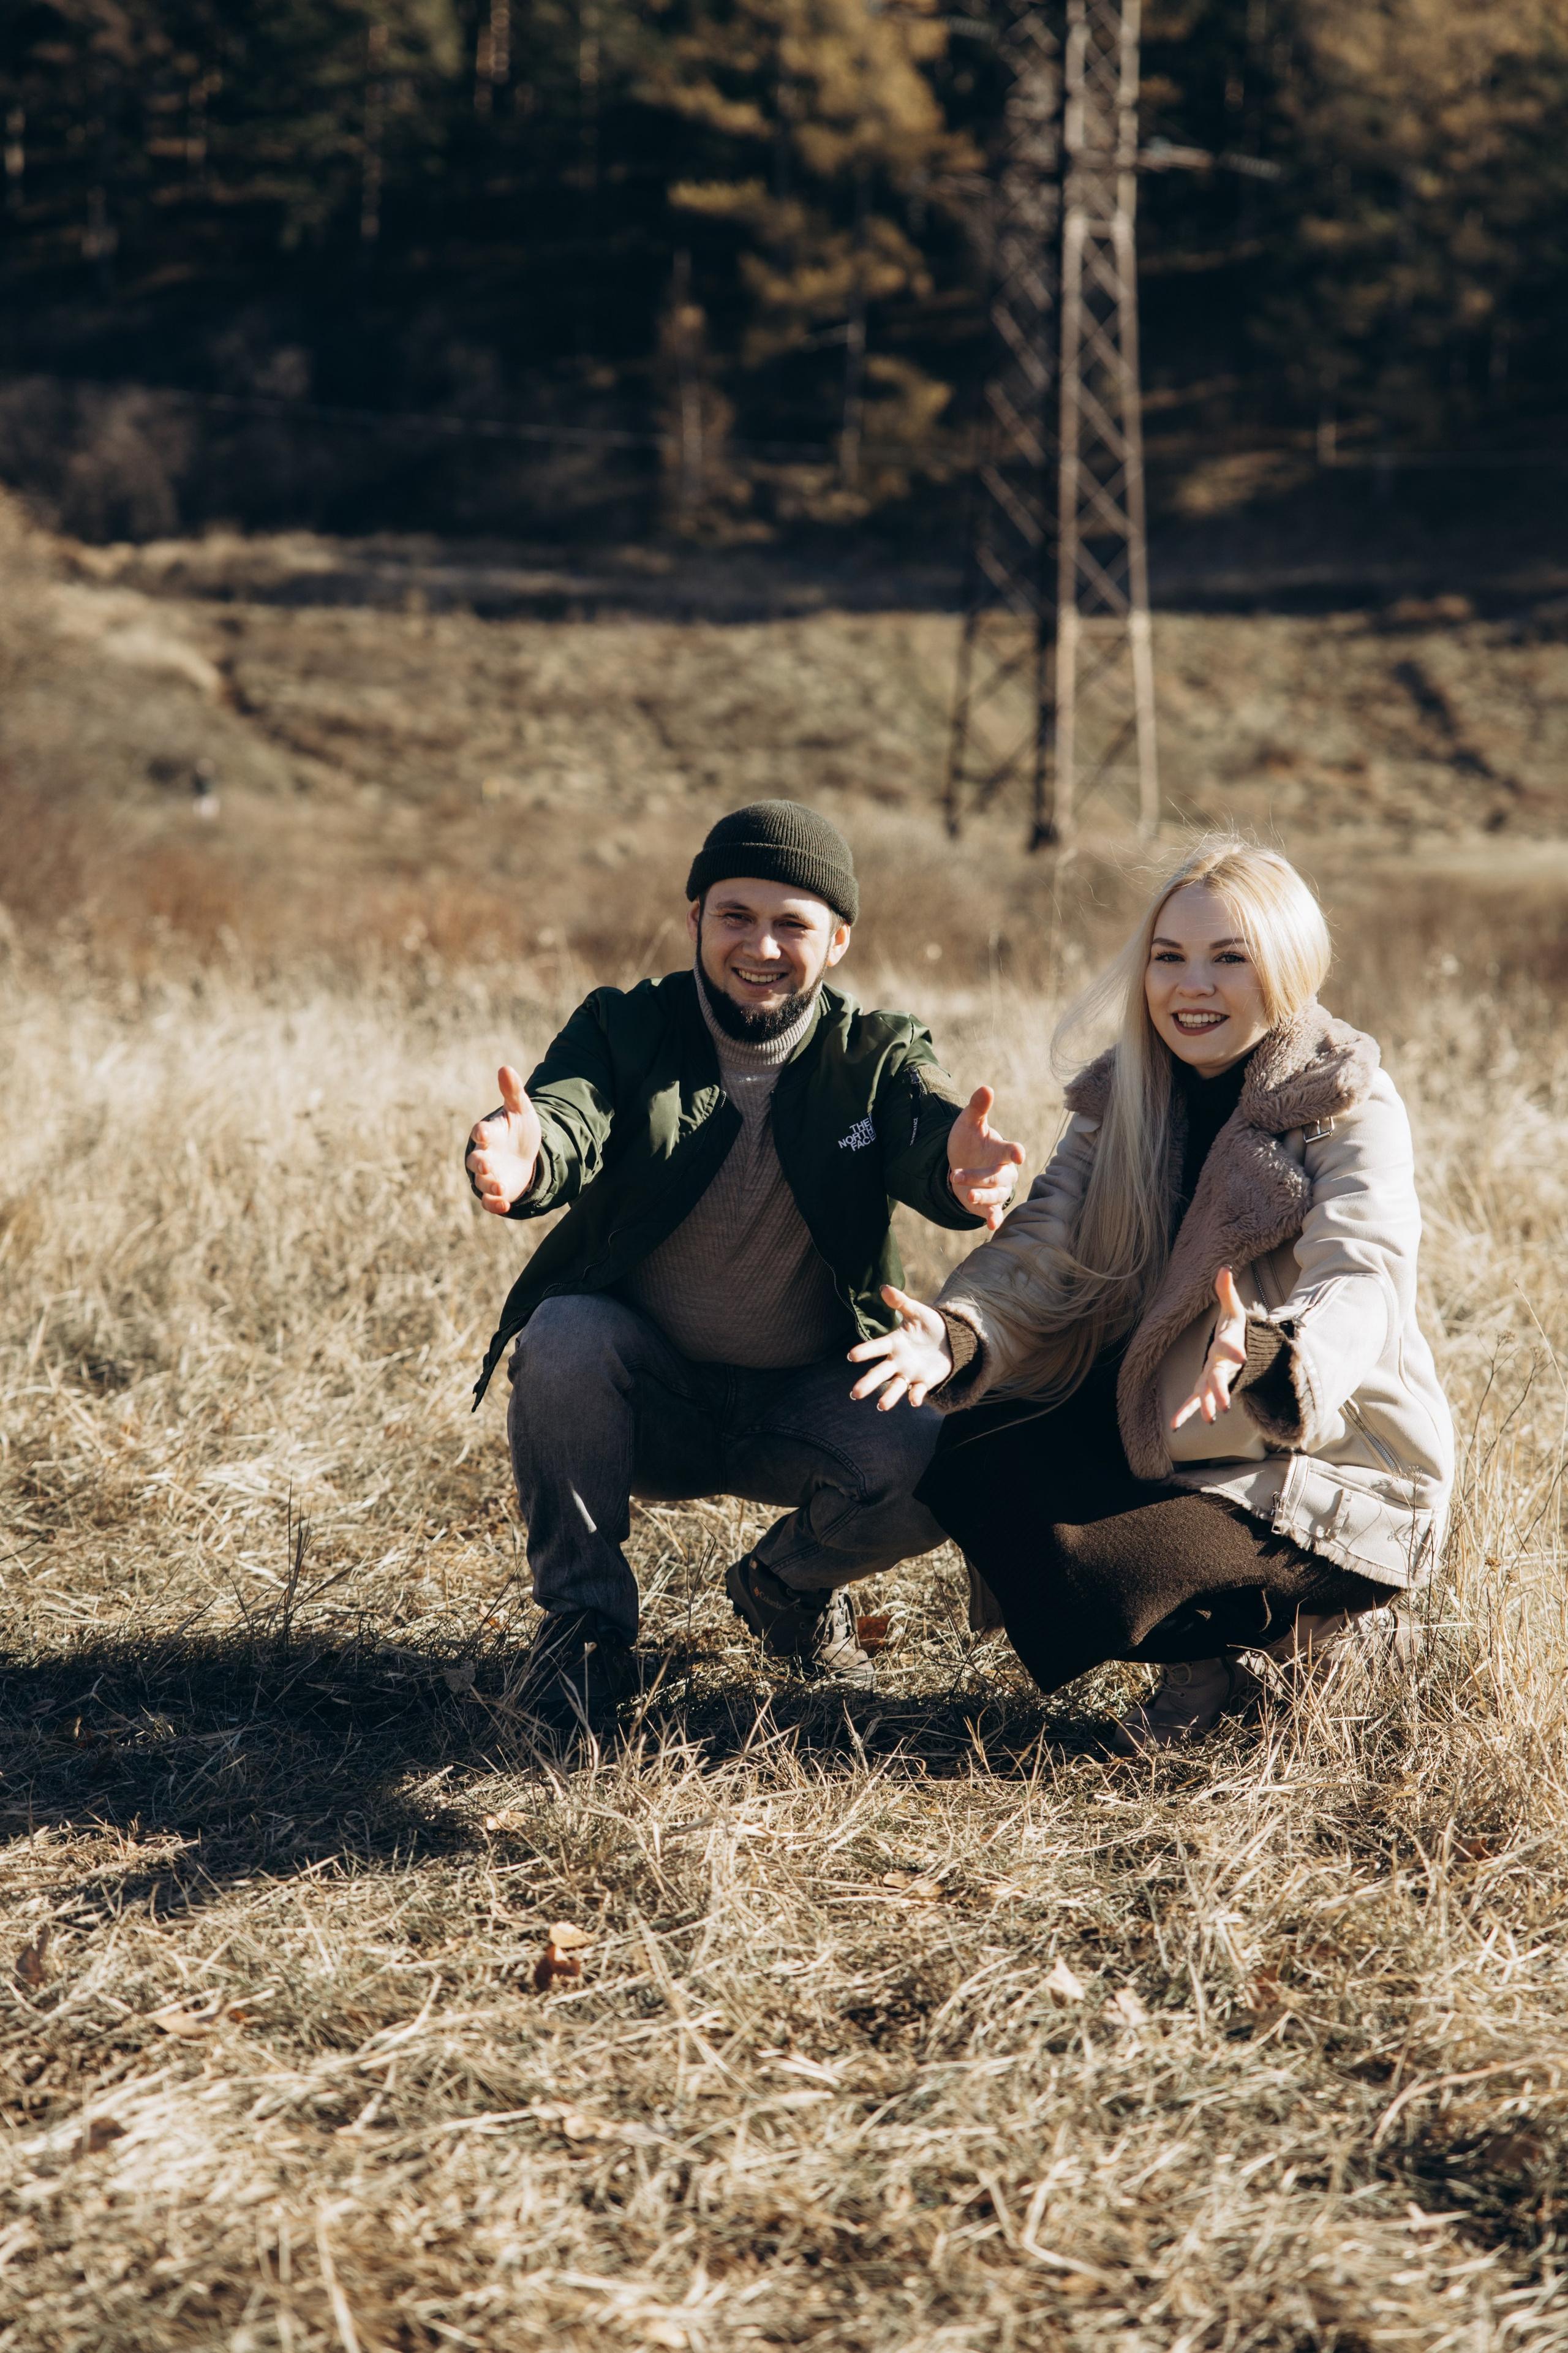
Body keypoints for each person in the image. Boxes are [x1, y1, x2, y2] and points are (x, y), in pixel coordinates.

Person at [847, 837, 1453, 1753]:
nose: (1192, 985)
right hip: (1164, 1428)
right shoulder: (1127, 1096)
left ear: (1286, 964)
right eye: (1169, 957)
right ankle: (1206, 1667)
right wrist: (960, 1334)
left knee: (1110, 1572)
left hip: (1325, 1460)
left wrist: (1275, 1353)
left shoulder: (1346, 1100)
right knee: (976, 1457)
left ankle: (1326, 1633)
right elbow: (1045, 1237)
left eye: (1229, 957)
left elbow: (1361, 1266)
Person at [464, 799, 1025, 1731]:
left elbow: (925, 1137)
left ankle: (786, 1584)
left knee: (937, 1446)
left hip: (803, 1405)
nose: (760, 946)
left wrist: (960, 1173)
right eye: (736, 916)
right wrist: (525, 1162)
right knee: (562, 1332)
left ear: (837, 940)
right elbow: (565, 1118)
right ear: (695, 919)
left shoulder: (872, 1057)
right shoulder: (623, 1030)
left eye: (792, 923)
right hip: (650, 1400)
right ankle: (586, 1632)